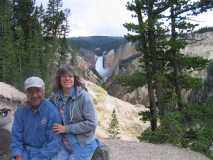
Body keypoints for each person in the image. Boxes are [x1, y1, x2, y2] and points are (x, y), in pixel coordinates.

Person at [49, 64, 98, 160]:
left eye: (70, 76)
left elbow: (92, 123)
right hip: (64, 142)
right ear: (59, 79)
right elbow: (44, 105)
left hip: (83, 144)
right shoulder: (55, 97)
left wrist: (66, 129)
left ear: (75, 79)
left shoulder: (84, 97)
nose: (67, 79)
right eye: (64, 76)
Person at [10, 76, 61, 160]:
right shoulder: (20, 111)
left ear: (43, 92)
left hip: (44, 153)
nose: (34, 95)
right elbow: (16, 137)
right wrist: (18, 155)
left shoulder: (52, 111)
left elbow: (54, 143)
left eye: (38, 91)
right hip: (24, 152)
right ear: (26, 93)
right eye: (30, 91)